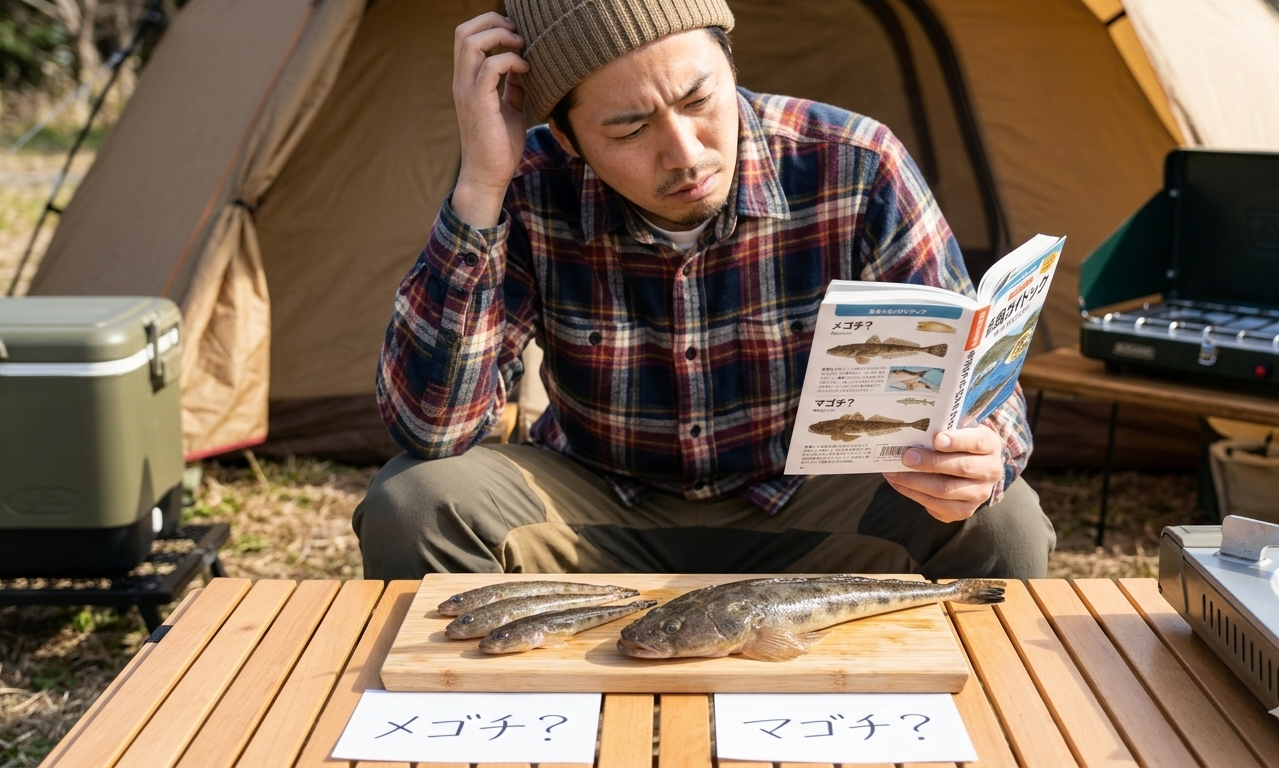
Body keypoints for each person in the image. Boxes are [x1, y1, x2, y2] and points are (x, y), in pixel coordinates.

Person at [353, 0, 1054, 579]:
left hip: (813, 508)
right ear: (567, 139)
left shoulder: (854, 165)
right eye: (629, 128)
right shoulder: (530, 185)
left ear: (730, 63)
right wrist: (480, 186)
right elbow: (430, 429)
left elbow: (978, 388)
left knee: (1004, 523)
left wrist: (979, 452)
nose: (685, 152)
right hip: (594, 513)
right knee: (412, 503)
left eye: (699, 99)